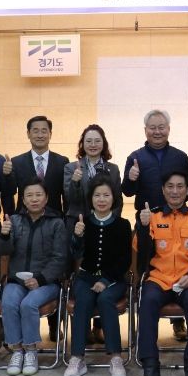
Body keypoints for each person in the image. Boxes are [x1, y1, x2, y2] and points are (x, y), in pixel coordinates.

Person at [134, 171, 188, 376]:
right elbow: (140, 251)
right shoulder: (153, 216)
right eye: (170, 186)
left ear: (187, 190)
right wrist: (142, 227)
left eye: (180, 186)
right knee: (147, 300)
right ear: (163, 190)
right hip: (158, 279)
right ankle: (150, 367)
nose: (175, 191)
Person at [122, 109, 188, 341]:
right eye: (153, 128)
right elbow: (126, 191)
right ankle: (145, 322)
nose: (157, 131)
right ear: (146, 130)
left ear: (168, 129)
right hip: (146, 221)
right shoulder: (135, 157)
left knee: (177, 264)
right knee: (147, 270)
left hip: (177, 221)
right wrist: (131, 178)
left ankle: (178, 322)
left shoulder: (180, 157)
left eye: (161, 127)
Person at [63, 174, 132, 376]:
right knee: (83, 300)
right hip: (86, 277)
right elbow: (76, 254)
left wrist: (106, 280)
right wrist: (77, 236)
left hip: (114, 279)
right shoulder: (83, 222)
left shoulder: (122, 224)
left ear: (114, 198)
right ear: (90, 198)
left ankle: (116, 357)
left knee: (105, 299)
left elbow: (125, 259)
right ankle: (77, 358)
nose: (101, 199)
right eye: (97, 195)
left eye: (106, 195)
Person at [0, 178, 68, 376]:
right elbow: (3, 251)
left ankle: (30, 350)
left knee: (28, 304)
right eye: (29, 195)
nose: (34, 199)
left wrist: (41, 279)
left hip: (47, 282)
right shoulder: (14, 220)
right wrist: (4, 235)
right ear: (23, 200)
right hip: (17, 280)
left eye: (38, 195)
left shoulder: (56, 222)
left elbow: (60, 258)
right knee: (9, 303)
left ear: (46, 198)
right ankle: (16, 350)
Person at [12, 115, 69, 341]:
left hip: (54, 224)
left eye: (44, 130)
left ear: (50, 134)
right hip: (25, 223)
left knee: (52, 274)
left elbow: (65, 196)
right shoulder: (17, 162)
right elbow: (10, 194)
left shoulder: (62, 161)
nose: (39, 134)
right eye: (35, 130)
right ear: (28, 134)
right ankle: (14, 332)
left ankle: (55, 327)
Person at [63, 124, 123, 343]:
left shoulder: (112, 169)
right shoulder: (71, 167)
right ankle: (83, 327)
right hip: (78, 225)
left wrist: (111, 224)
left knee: (103, 270)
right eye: (88, 141)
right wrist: (75, 182)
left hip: (105, 226)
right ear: (82, 144)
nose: (93, 144)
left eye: (97, 140)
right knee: (81, 274)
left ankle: (99, 326)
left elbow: (117, 200)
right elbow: (69, 199)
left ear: (103, 143)